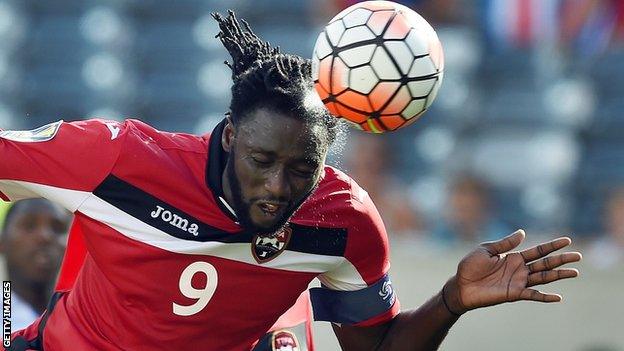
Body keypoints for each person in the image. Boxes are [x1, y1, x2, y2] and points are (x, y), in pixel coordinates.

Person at [1, 11, 581, 351]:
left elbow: (374, 347)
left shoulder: (343, 222)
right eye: (261, 160)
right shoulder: (120, 159)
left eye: (302, 169)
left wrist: (452, 301)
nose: (277, 186)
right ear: (229, 135)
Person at [0, 199, 71, 331]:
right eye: (29, 226)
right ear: (2, 241)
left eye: (57, 228)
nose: (45, 236)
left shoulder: (81, 317)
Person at [433, 175, 510, 246]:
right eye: (459, 208)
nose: (463, 215)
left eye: (467, 208)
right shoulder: (440, 233)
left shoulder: (500, 236)